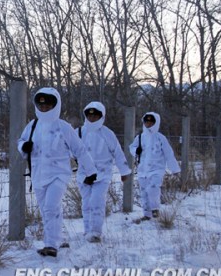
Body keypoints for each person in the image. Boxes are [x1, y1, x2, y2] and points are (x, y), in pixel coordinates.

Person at [18, 87, 97, 257]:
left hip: (59, 174)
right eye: (41, 105)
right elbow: (21, 141)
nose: (44, 108)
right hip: (38, 175)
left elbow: (79, 149)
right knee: (48, 210)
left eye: (48, 105)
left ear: (56, 105)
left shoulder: (64, 127)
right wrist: (24, 147)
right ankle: (59, 238)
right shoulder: (32, 126)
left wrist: (91, 171)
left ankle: (50, 245)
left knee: (50, 207)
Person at [76, 101, 131, 243]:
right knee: (86, 202)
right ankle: (87, 229)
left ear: (101, 116)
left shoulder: (107, 133)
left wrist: (124, 171)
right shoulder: (79, 132)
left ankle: (95, 232)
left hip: (102, 174)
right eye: (89, 115)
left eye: (95, 115)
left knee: (96, 201)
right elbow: (69, 150)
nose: (92, 118)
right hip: (84, 175)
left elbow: (117, 152)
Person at [129, 112, 180, 224]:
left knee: (153, 188)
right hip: (143, 170)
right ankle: (147, 215)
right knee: (144, 192)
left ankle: (155, 209)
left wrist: (175, 169)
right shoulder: (140, 137)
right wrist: (135, 151)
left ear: (155, 123)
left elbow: (169, 154)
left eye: (151, 121)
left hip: (157, 169)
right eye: (146, 121)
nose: (148, 123)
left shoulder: (160, 138)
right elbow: (131, 147)